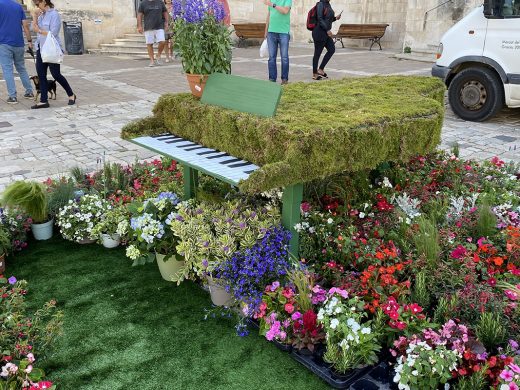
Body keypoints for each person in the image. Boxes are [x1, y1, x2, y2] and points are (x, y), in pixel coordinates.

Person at [31, 0, 76, 109]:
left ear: (44, 1)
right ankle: (44, 101)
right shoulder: (41, 15)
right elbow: (34, 29)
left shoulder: (54, 15)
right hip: (41, 49)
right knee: (41, 75)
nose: (37, 6)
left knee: (56, 74)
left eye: (38, 3)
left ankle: (71, 95)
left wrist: (40, 31)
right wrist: (34, 17)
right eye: (35, 4)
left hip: (51, 49)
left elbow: (53, 32)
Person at [0, 0, 35, 104]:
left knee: (7, 69)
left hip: (4, 43)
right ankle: (29, 92)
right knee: (21, 68)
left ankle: (13, 96)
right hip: (19, 43)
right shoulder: (18, 6)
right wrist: (29, 41)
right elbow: (25, 25)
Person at [263, 0, 292, 85]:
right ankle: (272, 79)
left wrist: (272, 5)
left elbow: (285, 11)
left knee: (284, 57)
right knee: (271, 58)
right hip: (271, 32)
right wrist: (266, 31)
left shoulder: (287, 0)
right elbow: (269, 15)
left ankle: (284, 79)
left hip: (283, 32)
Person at [312, 0, 341, 80]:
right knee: (317, 53)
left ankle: (321, 69)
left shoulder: (328, 4)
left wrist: (335, 18)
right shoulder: (320, 4)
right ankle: (315, 73)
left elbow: (328, 19)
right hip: (319, 32)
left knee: (331, 49)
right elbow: (320, 19)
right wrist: (327, 30)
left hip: (325, 32)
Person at [138, 0, 169, 67]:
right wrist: (139, 26)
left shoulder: (160, 2)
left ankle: (158, 55)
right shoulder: (143, 3)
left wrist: (166, 23)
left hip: (159, 26)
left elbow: (165, 12)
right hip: (148, 27)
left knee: (162, 41)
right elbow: (140, 15)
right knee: (149, 44)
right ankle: (152, 61)